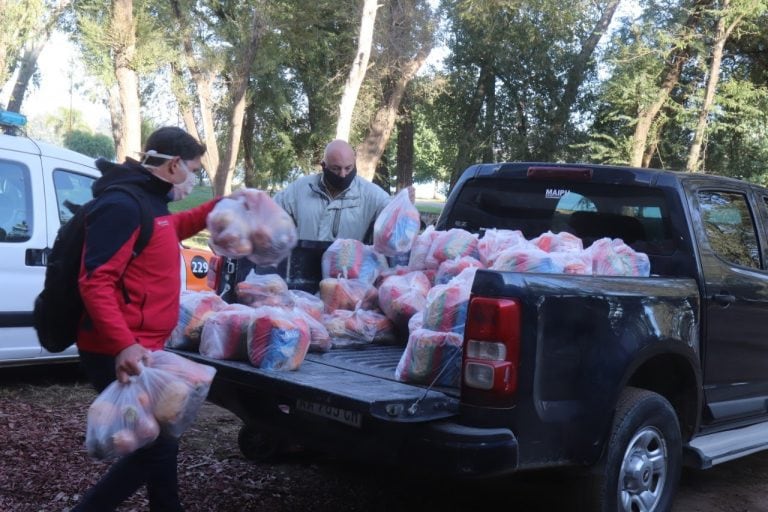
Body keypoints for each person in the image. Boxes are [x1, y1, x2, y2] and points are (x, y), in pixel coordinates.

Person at [72, 126, 219, 512]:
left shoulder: (150, 201)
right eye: (194, 170)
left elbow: (168, 230)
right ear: (174, 165)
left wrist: (216, 208)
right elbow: (95, 281)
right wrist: (123, 345)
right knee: (149, 448)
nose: (193, 179)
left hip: (144, 347)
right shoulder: (123, 205)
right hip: (117, 350)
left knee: (163, 439)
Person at [274, 139, 391, 243]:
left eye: (348, 168)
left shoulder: (372, 195)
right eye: (336, 169)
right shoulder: (299, 190)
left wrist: (406, 202)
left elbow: (396, 219)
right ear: (323, 166)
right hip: (304, 264)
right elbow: (270, 215)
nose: (343, 174)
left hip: (348, 266)